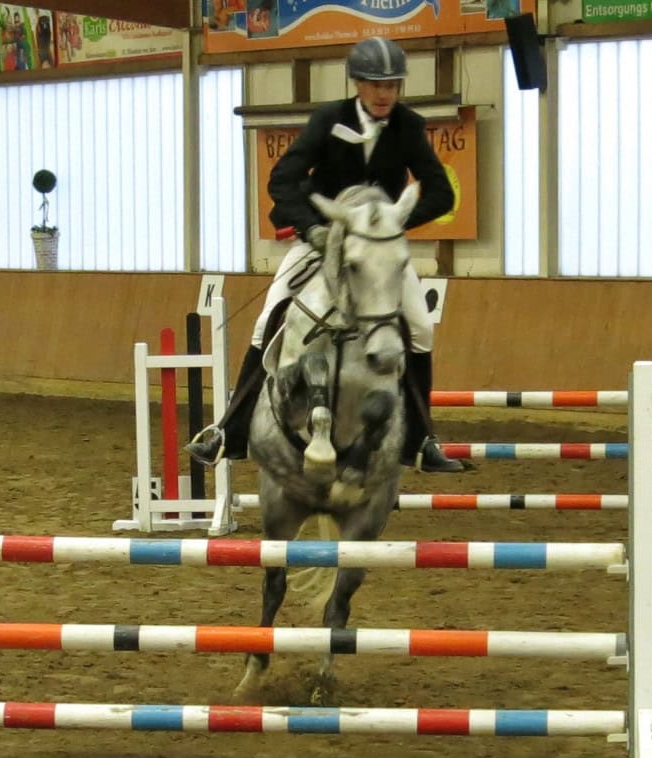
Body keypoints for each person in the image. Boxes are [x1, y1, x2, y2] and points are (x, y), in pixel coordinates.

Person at [186, 36, 463, 473]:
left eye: (392, 84)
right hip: (321, 236)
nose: (385, 93)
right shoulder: (327, 119)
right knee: (269, 318)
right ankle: (230, 429)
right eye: (376, 84)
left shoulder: (408, 125)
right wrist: (312, 228)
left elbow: (442, 192)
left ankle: (421, 439)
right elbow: (283, 180)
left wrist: (387, 230)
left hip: (377, 250)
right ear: (357, 83)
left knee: (421, 328)